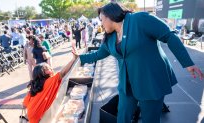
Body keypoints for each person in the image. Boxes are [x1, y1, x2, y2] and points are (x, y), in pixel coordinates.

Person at [72, 2, 204, 123]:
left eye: (101, 20)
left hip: (150, 82)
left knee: (150, 119)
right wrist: (79, 57)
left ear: (109, 16)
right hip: (127, 85)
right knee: (122, 117)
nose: (101, 24)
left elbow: (169, 35)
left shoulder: (139, 20)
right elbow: (98, 54)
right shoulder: (110, 37)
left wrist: (187, 63)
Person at [23, 53, 77, 123]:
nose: (51, 69)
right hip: (38, 118)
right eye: (48, 69)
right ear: (42, 73)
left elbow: (24, 104)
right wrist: (73, 59)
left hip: (32, 116)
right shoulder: (48, 82)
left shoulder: (34, 86)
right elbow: (63, 73)